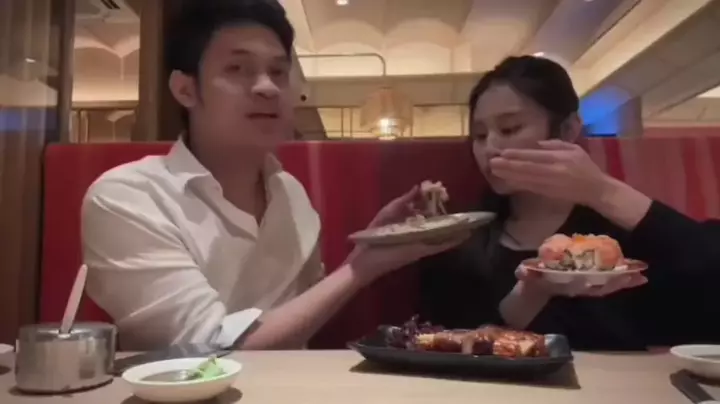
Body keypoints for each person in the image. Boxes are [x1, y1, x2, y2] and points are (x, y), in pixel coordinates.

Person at [81, 0, 463, 350]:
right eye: (237, 68)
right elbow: (208, 349)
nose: (267, 87)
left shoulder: (290, 193)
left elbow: (303, 316)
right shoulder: (128, 197)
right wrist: (361, 268)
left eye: (278, 72)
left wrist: (372, 246)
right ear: (185, 89)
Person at [417, 55, 720, 351]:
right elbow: (449, 342)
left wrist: (603, 191)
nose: (490, 148)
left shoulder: (618, 236)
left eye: (509, 129)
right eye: (480, 135)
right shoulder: (467, 241)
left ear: (567, 130)